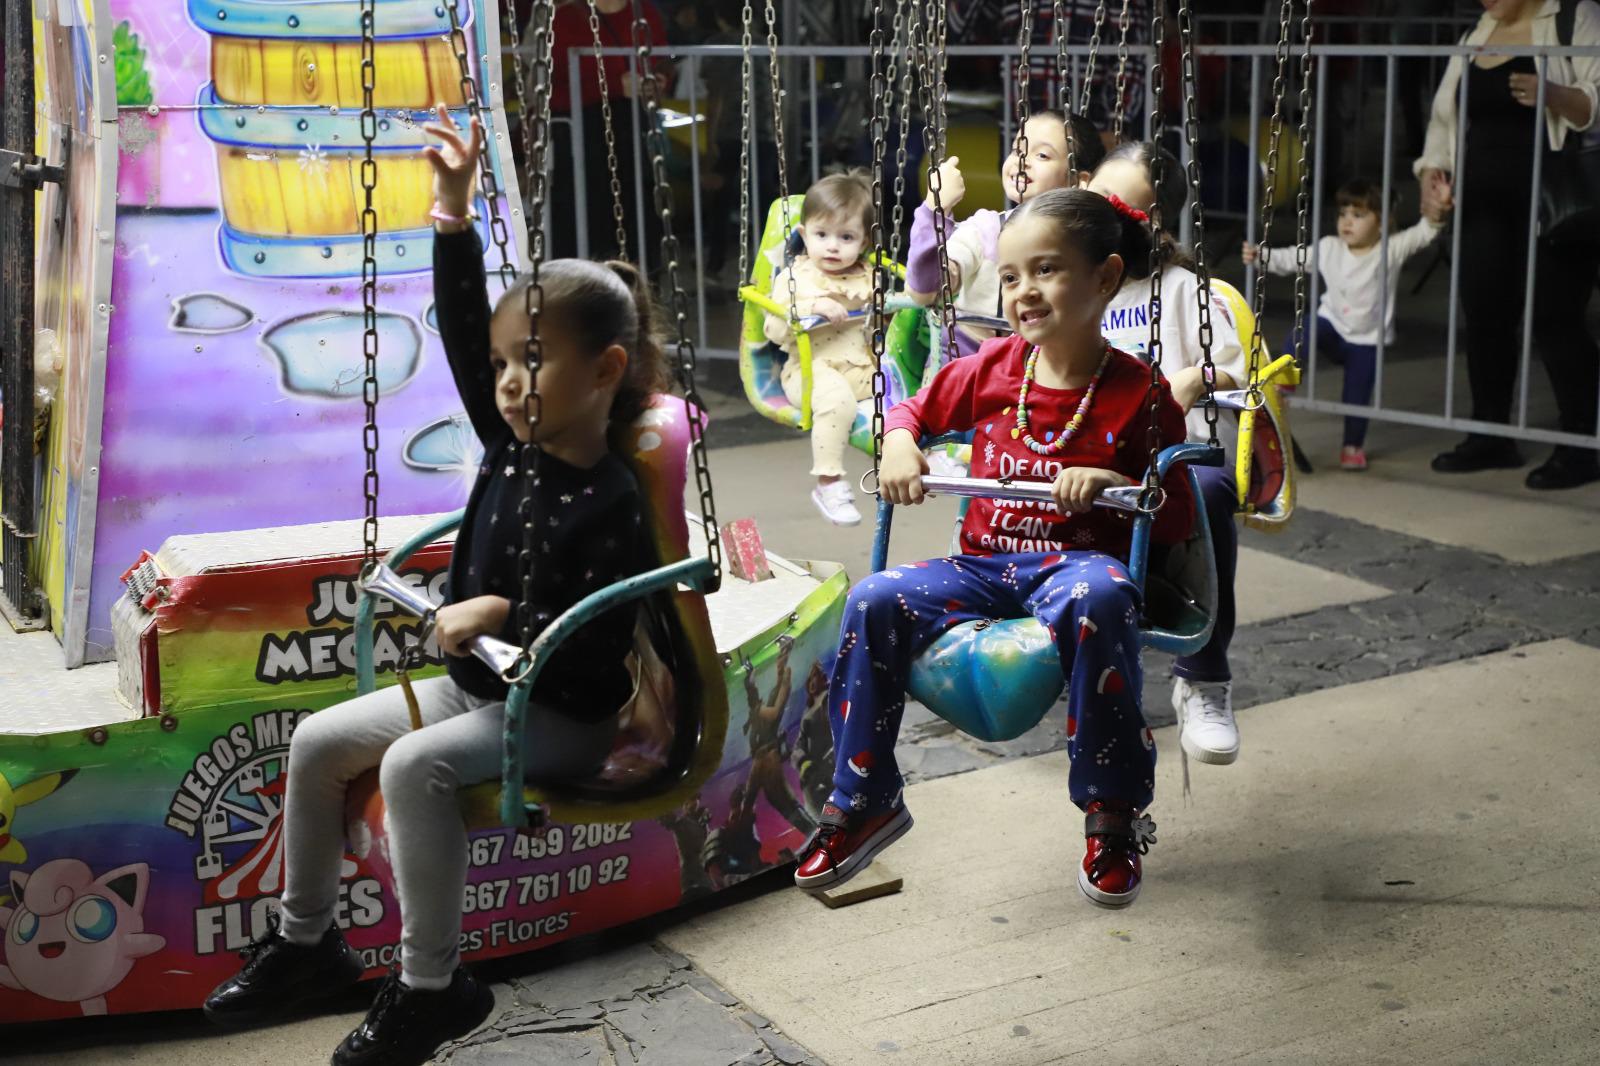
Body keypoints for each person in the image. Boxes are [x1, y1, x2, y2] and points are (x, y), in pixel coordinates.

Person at [201, 106, 662, 1066]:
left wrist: (503, 612)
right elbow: (460, 327)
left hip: (559, 714)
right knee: (317, 741)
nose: (506, 383)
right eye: (499, 366)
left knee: (415, 768)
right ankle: (307, 941)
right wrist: (452, 213)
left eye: (531, 361)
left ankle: (431, 985)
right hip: (480, 689)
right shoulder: (510, 443)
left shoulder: (610, 496)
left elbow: (590, 644)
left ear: (605, 371)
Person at [793, 188, 1196, 910]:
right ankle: (863, 800)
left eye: (1046, 270)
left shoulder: (1140, 392)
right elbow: (911, 411)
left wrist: (1117, 484)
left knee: (1104, 595)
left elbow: (1174, 516)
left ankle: (1112, 815)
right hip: (981, 565)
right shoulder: (992, 368)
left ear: (1105, 278)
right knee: (873, 597)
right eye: (1010, 277)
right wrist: (899, 444)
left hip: (1074, 568)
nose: (1023, 292)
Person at [1086, 141, 1251, 768]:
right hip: (1096, 449)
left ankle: (1204, 678)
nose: (1101, 216)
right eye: (1094, 199)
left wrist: (1189, 379)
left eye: (1120, 207)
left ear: (1153, 222)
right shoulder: (1077, 286)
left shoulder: (1184, 290)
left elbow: (1233, 368)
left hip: (1177, 452)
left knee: (1205, 493)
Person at [1418, 0, 1600, 489]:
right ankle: (1491, 434)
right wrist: (1432, 174)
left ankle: (1582, 444)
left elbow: (1597, 97)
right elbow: (1444, 120)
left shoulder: (1573, 17)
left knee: (1556, 318)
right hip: (1482, 205)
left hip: (1555, 203)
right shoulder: (1476, 33)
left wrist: (1554, 95)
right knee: (1485, 317)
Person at [1244, 178, 1445, 471]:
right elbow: (1294, 259)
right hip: (1333, 325)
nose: (1347, 222)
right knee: (1306, 327)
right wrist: (1261, 256)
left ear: (1382, 222)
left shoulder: (1390, 249)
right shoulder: (1330, 247)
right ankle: (1285, 382)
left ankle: (1352, 446)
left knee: (1357, 395)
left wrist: (1437, 213)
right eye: (1343, 214)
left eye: (1359, 215)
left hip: (1366, 340)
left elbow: (1423, 234)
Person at [906, 110, 1106, 362]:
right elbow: (924, 290)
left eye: (1042, 155)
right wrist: (935, 210)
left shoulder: (1083, 242)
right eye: (1016, 150)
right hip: (969, 361)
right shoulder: (985, 229)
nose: (1023, 161)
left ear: (1077, 180)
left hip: (1044, 364)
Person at [761, 170, 879, 526]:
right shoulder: (796, 279)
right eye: (822, 234)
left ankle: (924, 456)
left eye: (846, 237)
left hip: (861, 370)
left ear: (864, 242)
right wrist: (812, 307)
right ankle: (829, 482)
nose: (832, 246)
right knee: (837, 401)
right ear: (803, 234)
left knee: (900, 397)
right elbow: (774, 330)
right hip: (811, 373)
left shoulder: (869, 276)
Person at [545, 0, 668, 262]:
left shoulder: (645, 13)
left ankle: (641, 274)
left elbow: (660, 62)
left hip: (631, 130)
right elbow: (551, 90)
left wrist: (657, 83)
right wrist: (613, 87)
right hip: (583, 135)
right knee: (586, 214)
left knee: (638, 209)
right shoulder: (566, 19)